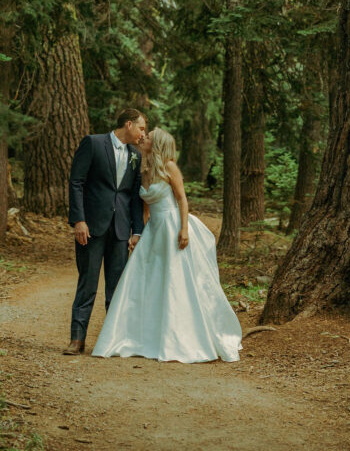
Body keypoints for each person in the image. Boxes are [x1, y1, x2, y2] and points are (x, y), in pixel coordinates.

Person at [92, 128, 242, 363]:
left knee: (175, 281)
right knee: (148, 280)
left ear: (158, 144)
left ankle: (179, 337)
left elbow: (182, 198)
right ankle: (145, 336)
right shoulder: (144, 169)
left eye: (149, 136)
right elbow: (145, 207)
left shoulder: (170, 167)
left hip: (172, 226)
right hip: (154, 230)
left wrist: (183, 229)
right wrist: (139, 233)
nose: (144, 138)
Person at [63, 108, 146, 355]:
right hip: (91, 227)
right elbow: (76, 182)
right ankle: (77, 340)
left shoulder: (135, 155)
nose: (143, 133)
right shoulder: (93, 143)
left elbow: (133, 197)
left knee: (117, 287)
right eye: (141, 128)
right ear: (128, 125)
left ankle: (114, 340)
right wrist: (79, 220)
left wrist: (137, 231)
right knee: (87, 283)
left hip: (121, 229)